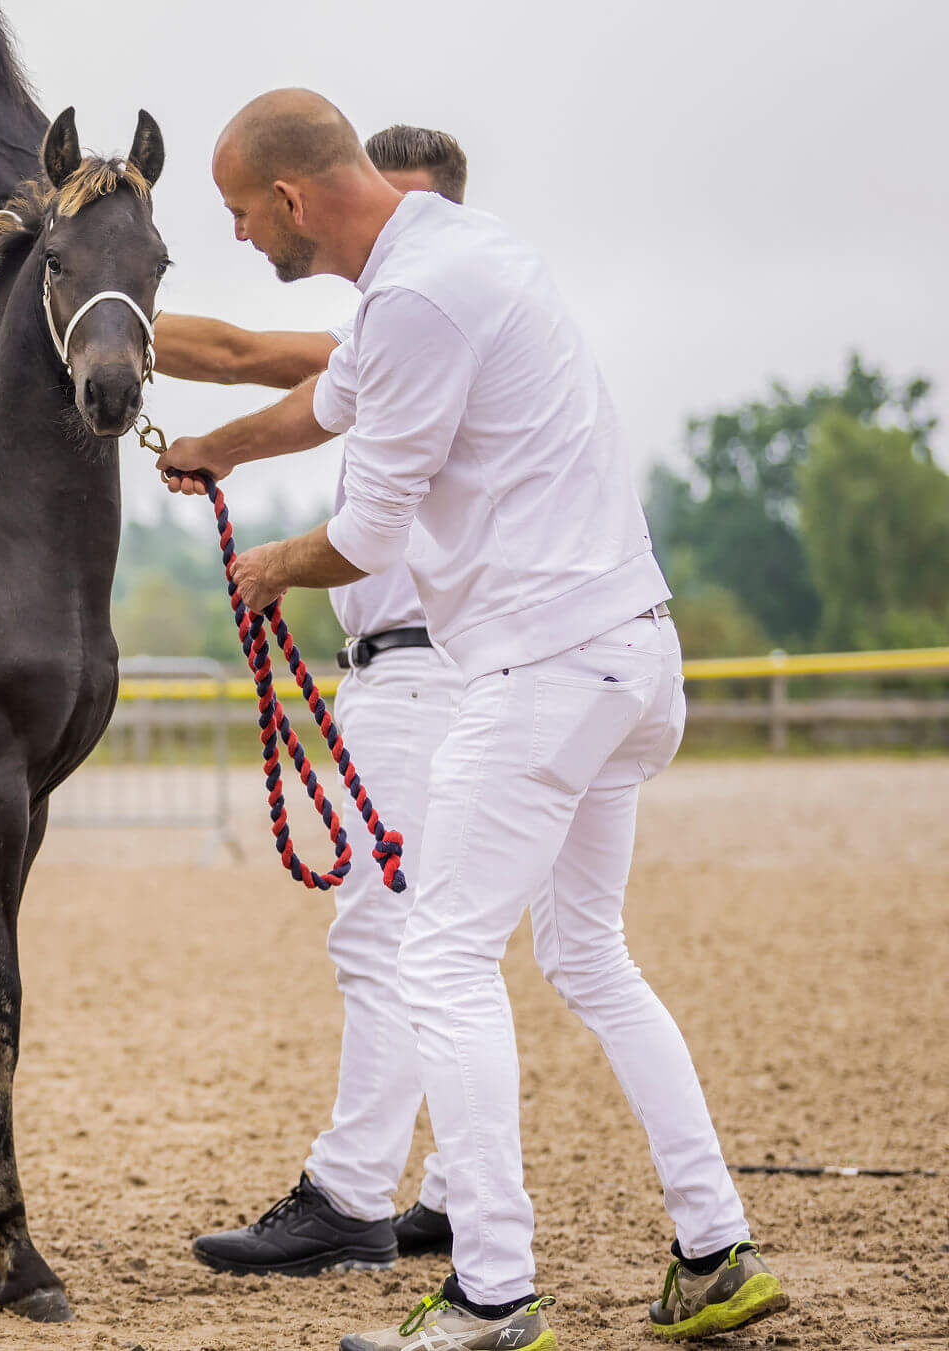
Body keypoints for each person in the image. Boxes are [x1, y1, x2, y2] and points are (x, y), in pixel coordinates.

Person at [155, 90, 789, 1349]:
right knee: (589, 958)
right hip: (630, 654)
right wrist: (220, 451)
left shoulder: (411, 298)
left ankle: (493, 1290)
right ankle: (713, 1251)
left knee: (434, 958)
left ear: (289, 199)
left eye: (237, 213)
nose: (237, 237)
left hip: (539, 668)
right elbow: (326, 406)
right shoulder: (465, 254)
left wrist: (273, 563)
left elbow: (369, 533)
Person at [154, 125, 472, 1280]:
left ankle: (347, 1195)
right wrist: (99, 324)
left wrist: (276, 559)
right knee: (449, 935)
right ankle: (447, 1189)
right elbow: (237, 354)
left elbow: (246, 355)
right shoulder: (402, 326)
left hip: (421, 663)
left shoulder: (416, 322)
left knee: (381, 929)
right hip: (445, 660)